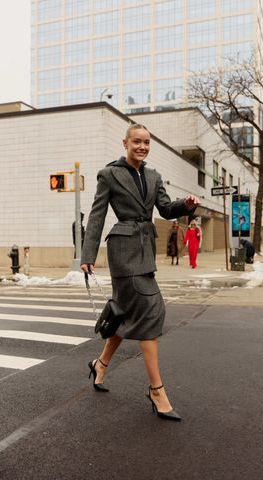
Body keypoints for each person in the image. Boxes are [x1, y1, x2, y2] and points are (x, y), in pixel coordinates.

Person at [81, 123, 200, 422]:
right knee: (149, 311)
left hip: (146, 251)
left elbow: (165, 209)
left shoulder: (154, 175)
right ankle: (156, 390)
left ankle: (100, 365)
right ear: (125, 143)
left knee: (125, 313)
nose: (142, 146)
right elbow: (97, 215)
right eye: (137, 141)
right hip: (123, 253)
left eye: (146, 142)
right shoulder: (109, 174)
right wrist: (88, 254)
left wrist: (186, 205)